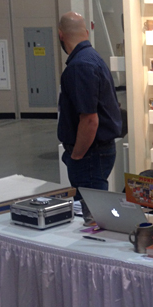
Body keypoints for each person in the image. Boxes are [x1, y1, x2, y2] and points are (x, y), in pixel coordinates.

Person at [57, 12, 122, 225]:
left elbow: (90, 120)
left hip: (90, 154)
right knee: (93, 211)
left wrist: (76, 156)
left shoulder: (80, 66)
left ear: (61, 35)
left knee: (93, 217)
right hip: (97, 151)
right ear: (86, 32)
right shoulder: (93, 58)